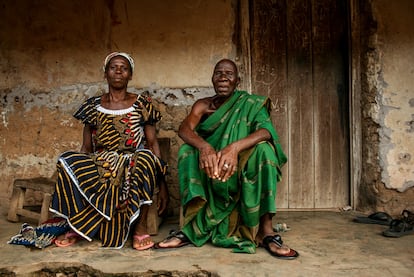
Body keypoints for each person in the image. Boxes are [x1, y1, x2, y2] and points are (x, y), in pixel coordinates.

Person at [155, 59, 298, 259]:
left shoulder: (250, 103)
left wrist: (234, 148)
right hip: (211, 164)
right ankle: (190, 229)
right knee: (187, 151)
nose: (223, 77)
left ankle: (267, 231)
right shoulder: (203, 105)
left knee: (265, 151)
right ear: (213, 79)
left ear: (237, 81)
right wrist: (205, 147)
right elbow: (184, 129)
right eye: (218, 73)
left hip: (241, 161)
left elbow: (266, 131)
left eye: (228, 74)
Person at [50, 52, 169, 250]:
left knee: (146, 158)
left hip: (133, 161)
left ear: (130, 75)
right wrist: (79, 174)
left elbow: (152, 143)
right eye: (113, 67)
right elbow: (86, 148)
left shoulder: (142, 104)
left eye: (124, 68)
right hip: (101, 162)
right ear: (105, 73)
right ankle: (77, 225)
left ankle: (140, 228)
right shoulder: (92, 106)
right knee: (67, 159)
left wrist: (162, 182)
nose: (118, 71)